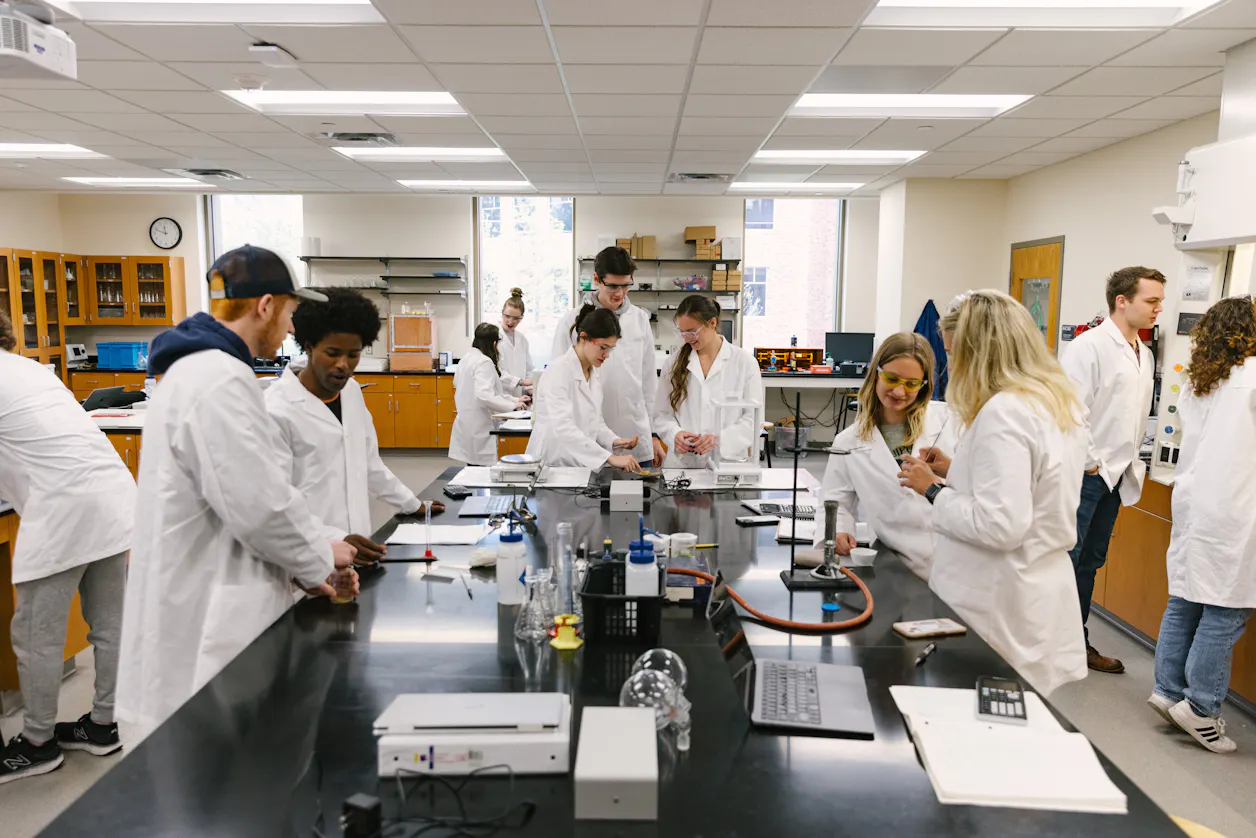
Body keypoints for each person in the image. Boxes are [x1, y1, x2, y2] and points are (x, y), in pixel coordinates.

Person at [116, 245, 358, 739]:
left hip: (206, 586)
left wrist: (311, 561)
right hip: (205, 614)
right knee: (217, 777)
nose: (292, 328)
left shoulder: (199, 372)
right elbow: (261, 509)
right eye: (290, 314)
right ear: (264, 306)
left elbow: (256, 493)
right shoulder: (220, 381)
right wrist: (320, 563)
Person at [898, 290, 1089, 695]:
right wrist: (957, 470)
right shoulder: (1055, 403)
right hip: (1035, 590)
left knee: (986, 721)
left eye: (952, 353)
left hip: (997, 601)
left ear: (978, 352)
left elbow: (1000, 526)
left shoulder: (1004, 411)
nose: (950, 364)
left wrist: (932, 490)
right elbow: (1034, 487)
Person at [0, 311, 136, 784]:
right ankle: (103, 725)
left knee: (38, 635)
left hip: (64, 511)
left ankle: (37, 744)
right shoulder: (32, 369)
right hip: (113, 499)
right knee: (110, 625)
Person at [1148, 296, 1256, 753]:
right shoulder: (1252, 378)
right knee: (1227, 607)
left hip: (1194, 502)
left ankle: (1168, 691)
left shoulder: (1201, 379)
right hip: (1236, 507)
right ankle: (1201, 709)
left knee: (1188, 597)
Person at [266, 288, 442, 566]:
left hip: (358, 550)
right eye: (332, 353)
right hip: (306, 558)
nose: (343, 366)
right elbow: (273, 506)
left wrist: (412, 503)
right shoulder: (276, 409)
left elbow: (370, 463)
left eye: (353, 355)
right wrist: (336, 538)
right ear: (308, 346)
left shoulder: (352, 393)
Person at [1061, 267, 1164, 674]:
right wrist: (1089, 463)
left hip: (1117, 475)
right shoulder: (1088, 347)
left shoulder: (1145, 351)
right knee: (1065, 560)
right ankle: (1051, 643)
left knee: (1089, 561)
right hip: (1088, 474)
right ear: (1122, 301)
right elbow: (1070, 410)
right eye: (1151, 300)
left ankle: (1075, 642)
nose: (1158, 308)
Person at [813, 333, 959, 581]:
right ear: (876, 373)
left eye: (912, 384)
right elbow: (835, 501)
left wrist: (944, 475)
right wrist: (838, 531)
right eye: (892, 378)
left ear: (924, 385)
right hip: (893, 566)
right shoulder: (849, 442)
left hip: (956, 563)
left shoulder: (952, 421)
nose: (899, 391)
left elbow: (979, 489)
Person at [551, 247, 659, 467]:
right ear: (596, 279)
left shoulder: (639, 320)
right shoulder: (573, 321)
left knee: (635, 500)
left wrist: (654, 433)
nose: (619, 293)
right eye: (612, 286)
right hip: (586, 439)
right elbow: (558, 381)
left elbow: (648, 382)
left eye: (626, 285)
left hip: (634, 434)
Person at [652, 295, 762, 470]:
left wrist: (718, 440)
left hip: (727, 464)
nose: (687, 338)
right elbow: (661, 414)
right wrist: (675, 434)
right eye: (682, 332)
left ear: (712, 323)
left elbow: (753, 420)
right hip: (683, 465)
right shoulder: (673, 363)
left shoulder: (744, 363)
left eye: (693, 331)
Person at [529, 306, 641, 473]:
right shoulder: (558, 370)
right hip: (553, 465)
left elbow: (595, 422)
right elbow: (563, 426)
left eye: (610, 348)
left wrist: (614, 441)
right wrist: (608, 457)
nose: (607, 355)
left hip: (578, 466)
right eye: (603, 347)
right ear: (583, 338)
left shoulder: (594, 373)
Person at [451, 323, 530, 466]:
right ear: (494, 343)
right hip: (480, 425)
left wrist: (516, 399)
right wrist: (513, 406)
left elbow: (491, 392)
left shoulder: (466, 359)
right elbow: (484, 395)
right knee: (481, 470)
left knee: (473, 468)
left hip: (467, 423)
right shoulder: (483, 362)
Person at [498, 288, 534, 397]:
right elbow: (495, 371)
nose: (510, 321)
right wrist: (520, 382)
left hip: (519, 398)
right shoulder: (493, 336)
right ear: (502, 313)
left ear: (521, 318)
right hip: (499, 397)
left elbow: (528, 369)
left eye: (516, 318)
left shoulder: (522, 340)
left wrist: (529, 389)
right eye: (507, 316)